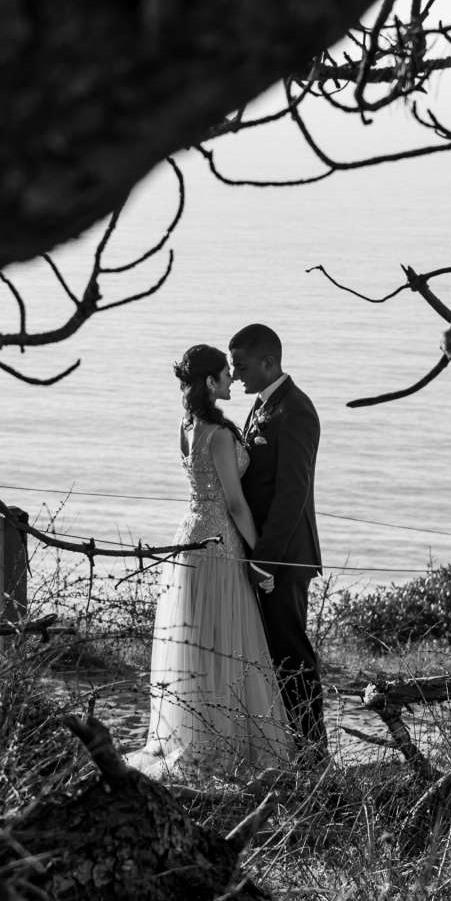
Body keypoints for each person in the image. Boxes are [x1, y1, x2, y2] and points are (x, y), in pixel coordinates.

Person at [124, 343, 297, 782]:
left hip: (190, 535)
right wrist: (263, 556)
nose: (231, 379)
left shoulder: (186, 426)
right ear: (209, 382)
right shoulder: (219, 435)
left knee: (200, 641)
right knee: (227, 636)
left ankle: (195, 732)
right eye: (224, 374)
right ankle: (223, 742)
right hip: (219, 539)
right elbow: (237, 505)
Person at [229, 322, 328, 765]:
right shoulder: (261, 406)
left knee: (293, 655)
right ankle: (289, 745)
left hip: (285, 558)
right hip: (265, 553)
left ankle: (314, 751)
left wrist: (265, 560)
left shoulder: (297, 410)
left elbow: (293, 493)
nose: (236, 375)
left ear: (269, 361)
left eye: (242, 366)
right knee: (272, 654)